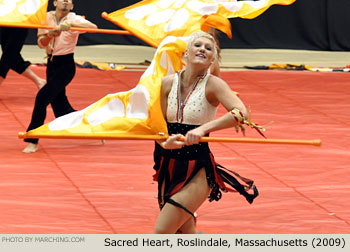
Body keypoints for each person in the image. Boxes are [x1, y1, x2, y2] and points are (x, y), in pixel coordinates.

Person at [152, 31, 258, 234]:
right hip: (168, 165)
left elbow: (241, 113)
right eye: (197, 45)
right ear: (185, 54)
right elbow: (157, 126)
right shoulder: (166, 83)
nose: (202, 49)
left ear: (212, 61)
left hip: (197, 167)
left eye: (209, 49)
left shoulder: (213, 85)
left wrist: (203, 129)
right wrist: (164, 141)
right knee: (184, 233)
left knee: (162, 232)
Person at [22, 0, 97, 153]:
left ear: (72, 6)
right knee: (62, 110)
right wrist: (50, 34)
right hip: (51, 65)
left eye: (68, 0)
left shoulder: (74, 18)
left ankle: (32, 140)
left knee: (42, 98)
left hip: (66, 66)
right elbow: (41, 44)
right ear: (55, 2)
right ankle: (95, 126)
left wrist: (72, 26)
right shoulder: (45, 18)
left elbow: (94, 27)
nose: (65, 2)